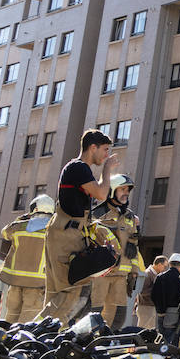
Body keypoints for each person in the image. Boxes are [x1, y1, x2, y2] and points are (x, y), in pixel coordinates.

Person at [41, 130, 117, 322]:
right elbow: (101, 193)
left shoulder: (79, 170)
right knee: (70, 291)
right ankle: (36, 334)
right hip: (66, 235)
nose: (107, 155)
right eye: (105, 150)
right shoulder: (78, 168)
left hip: (67, 232)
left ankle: (47, 337)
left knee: (59, 292)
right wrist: (107, 170)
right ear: (93, 147)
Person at [91, 173, 144, 327]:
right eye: (122, 189)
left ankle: (109, 345)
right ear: (112, 190)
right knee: (94, 314)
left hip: (122, 276)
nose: (126, 193)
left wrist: (134, 270)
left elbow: (133, 245)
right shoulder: (98, 214)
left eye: (128, 190)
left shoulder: (130, 217)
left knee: (118, 316)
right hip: (101, 275)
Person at [0, 194, 54, 323]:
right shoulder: (53, 230)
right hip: (37, 283)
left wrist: (23, 218)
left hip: (15, 281)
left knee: (10, 317)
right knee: (27, 321)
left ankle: (6, 342)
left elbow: (4, 232)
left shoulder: (18, 227)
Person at [152, 253, 180, 346]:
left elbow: (153, 295)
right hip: (174, 313)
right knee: (172, 338)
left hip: (160, 312)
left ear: (170, 264)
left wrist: (160, 309)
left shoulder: (160, 277)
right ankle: (170, 357)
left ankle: (161, 356)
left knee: (162, 336)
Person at [135, 255, 168, 330]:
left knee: (149, 332)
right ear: (159, 265)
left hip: (150, 307)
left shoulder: (154, 274)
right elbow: (142, 291)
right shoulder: (148, 274)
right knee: (141, 330)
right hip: (145, 307)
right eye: (164, 266)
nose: (165, 269)